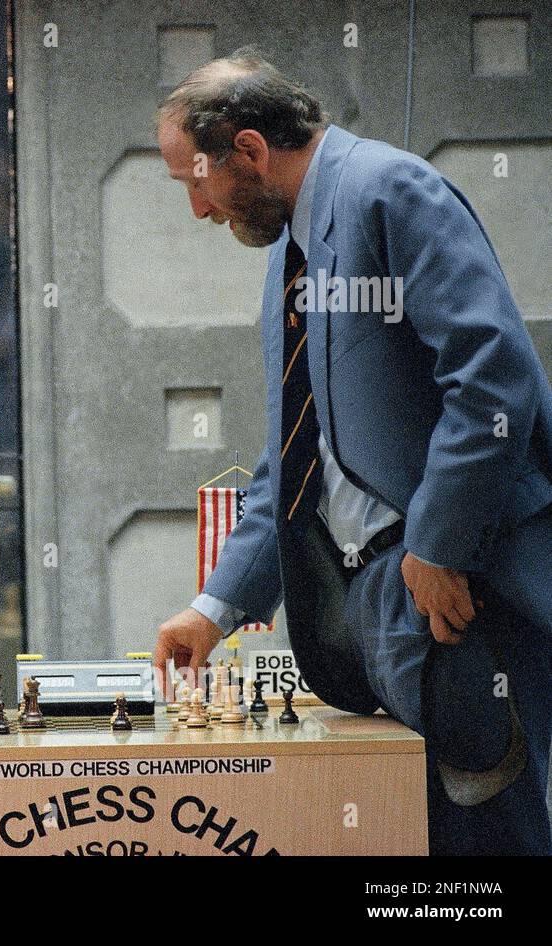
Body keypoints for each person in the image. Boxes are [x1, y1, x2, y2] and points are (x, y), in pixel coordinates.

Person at [151, 49, 552, 854]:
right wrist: (216, 607)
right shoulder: (290, 255)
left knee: (488, 854)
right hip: (385, 618)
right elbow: (296, 459)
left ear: (251, 149)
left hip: (463, 601)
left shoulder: (389, 191)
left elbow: (495, 382)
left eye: (195, 180)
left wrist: (439, 543)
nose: (196, 208)